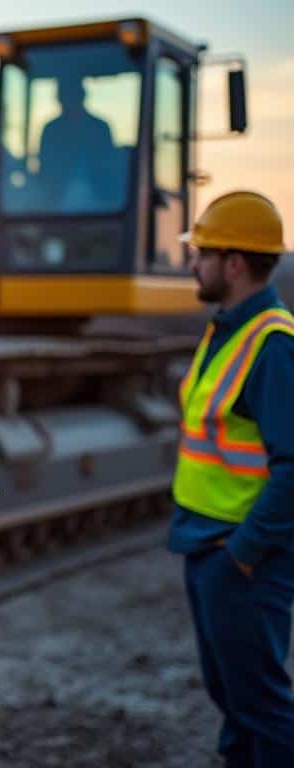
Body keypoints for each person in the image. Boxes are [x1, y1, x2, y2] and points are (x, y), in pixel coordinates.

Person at [169, 190, 294, 766]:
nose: (193, 263)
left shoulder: (272, 346)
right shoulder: (228, 329)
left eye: (203, 253)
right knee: (234, 702)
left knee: (262, 707)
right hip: (210, 546)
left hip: (241, 556)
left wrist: (242, 553)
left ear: (235, 263)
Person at [36, 75, 120, 210]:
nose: (67, 102)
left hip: (101, 205)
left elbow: (109, 169)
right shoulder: (51, 130)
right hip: (56, 205)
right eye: (64, 96)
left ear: (82, 96)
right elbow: (45, 171)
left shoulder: (99, 128)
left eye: (71, 96)